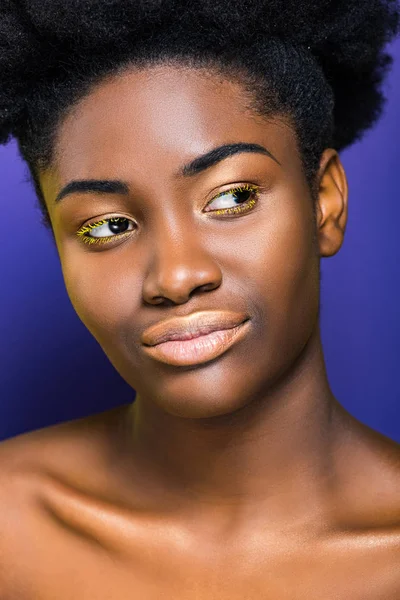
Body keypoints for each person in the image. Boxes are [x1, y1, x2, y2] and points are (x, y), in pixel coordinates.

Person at [0, 0, 399, 597]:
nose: (177, 276)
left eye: (231, 197)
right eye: (106, 227)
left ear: (325, 202)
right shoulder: (12, 530)